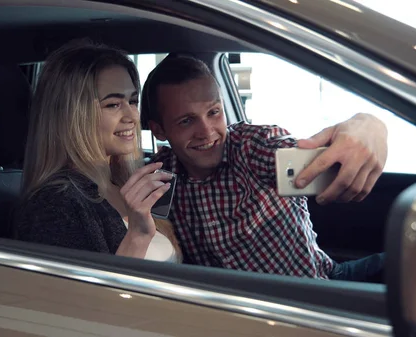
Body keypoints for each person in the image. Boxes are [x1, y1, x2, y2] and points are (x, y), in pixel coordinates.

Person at [140, 55, 387, 280]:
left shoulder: (252, 148)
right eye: (186, 121)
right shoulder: (162, 177)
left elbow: (335, 160)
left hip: (319, 286)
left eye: (214, 112)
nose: (207, 131)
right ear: (159, 130)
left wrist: (369, 126)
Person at [12, 40, 181, 263]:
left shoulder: (123, 183)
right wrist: (138, 235)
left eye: (132, 101)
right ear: (72, 115)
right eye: (113, 104)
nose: (131, 116)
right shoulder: (54, 205)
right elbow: (84, 297)